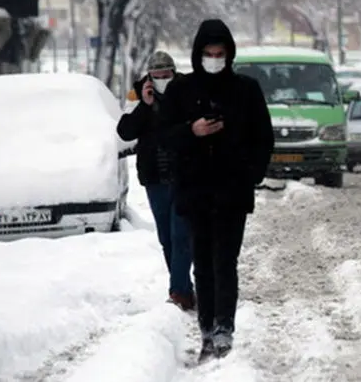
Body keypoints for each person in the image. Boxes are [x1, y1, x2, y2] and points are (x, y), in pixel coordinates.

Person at [158, 19, 274, 359]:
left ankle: (225, 326)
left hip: (232, 191)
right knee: (202, 262)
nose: (213, 59)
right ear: (197, 54)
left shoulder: (246, 90)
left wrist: (251, 173)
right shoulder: (181, 91)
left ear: (229, 54)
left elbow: (263, 137)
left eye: (219, 54)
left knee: (226, 260)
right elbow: (164, 135)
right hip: (194, 191)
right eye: (207, 53)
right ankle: (207, 325)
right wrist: (191, 131)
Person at [116, 51, 195, 311]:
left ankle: (178, 292)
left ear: (174, 73)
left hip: (184, 175)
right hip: (154, 178)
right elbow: (125, 130)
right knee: (167, 237)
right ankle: (183, 286)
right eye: (157, 76)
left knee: (181, 234)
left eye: (166, 75)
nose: (162, 80)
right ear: (149, 76)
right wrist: (144, 105)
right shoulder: (137, 94)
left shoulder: (187, 90)